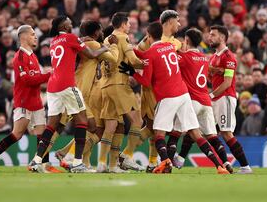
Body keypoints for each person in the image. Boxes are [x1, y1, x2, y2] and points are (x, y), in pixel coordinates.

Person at [119, 22, 228, 174]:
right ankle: (219, 166)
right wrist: (134, 51)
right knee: (195, 133)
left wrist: (132, 72)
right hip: (184, 95)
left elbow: (146, 81)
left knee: (158, 133)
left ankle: (165, 162)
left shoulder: (152, 53)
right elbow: (151, 56)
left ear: (149, 36)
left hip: (168, 96)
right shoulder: (170, 47)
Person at [30, 16, 108, 173]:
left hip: (53, 87)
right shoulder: (71, 38)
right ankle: (77, 163)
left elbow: (72, 48)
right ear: (63, 25)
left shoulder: (54, 42)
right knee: (84, 123)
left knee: (52, 125)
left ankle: (36, 161)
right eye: (69, 23)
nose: (72, 25)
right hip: (67, 86)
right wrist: (105, 48)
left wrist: (81, 39)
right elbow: (92, 54)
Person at [0, 25, 59, 173]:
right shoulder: (20, 57)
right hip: (24, 101)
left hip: (36, 101)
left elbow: (35, 79)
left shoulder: (33, 56)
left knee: (42, 135)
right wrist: (49, 75)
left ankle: (43, 164)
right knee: (17, 134)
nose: (35, 37)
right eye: (32, 34)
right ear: (23, 37)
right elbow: (28, 81)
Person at [54, 21, 120, 172]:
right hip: (83, 90)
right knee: (94, 129)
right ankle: (69, 157)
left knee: (74, 125)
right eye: (100, 31)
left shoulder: (81, 43)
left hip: (81, 87)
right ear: (96, 33)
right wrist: (113, 45)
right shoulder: (93, 45)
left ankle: (74, 157)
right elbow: (113, 59)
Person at [166, 28, 233, 173]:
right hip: (206, 101)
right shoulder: (205, 58)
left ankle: (168, 165)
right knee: (212, 137)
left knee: (175, 132)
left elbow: (168, 57)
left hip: (192, 101)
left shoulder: (183, 58)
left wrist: (175, 46)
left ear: (187, 41)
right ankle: (225, 163)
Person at [98, 12, 144, 172]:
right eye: (129, 23)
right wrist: (149, 64)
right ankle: (128, 156)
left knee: (112, 126)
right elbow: (133, 60)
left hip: (106, 86)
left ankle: (105, 164)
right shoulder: (123, 37)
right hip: (119, 85)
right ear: (123, 25)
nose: (130, 26)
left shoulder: (107, 38)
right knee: (137, 120)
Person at [208, 25, 252, 174]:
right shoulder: (214, 57)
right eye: (209, 34)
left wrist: (211, 96)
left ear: (222, 37)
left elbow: (227, 83)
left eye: (213, 35)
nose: (209, 37)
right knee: (209, 132)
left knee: (226, 133)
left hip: (225, 98)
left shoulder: (229, 57)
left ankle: (245, 166)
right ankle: (226, 163)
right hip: (216, 98)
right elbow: (211, 79)